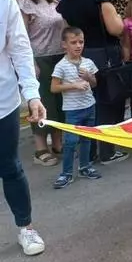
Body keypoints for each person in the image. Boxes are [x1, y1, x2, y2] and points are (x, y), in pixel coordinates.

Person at [57, 0, 128, 165]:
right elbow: (116, 28)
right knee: (107, 102)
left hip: (78, 55)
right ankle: (107, 151)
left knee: (84, 103)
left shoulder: (65, 2)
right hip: (102, 55)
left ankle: (88, 152)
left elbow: (65, 31)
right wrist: (121, 20)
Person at [0, 0, 48, 255]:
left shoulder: (5, 3)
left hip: (3, 103)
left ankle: (26, 228)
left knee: (9, 167)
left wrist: (32, 95)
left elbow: (20, 50)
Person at [15, 0, 65, 166]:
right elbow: (21, 37)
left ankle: (58, 142)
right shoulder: (22, 3)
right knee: (43, 102)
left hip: (59, 55)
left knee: (60, 102)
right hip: (39, 59)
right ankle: (40, 148)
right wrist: (30, 62)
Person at [51, 27, 102, 189]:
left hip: (89, 106)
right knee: (71, 142)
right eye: (73, 42)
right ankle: (66, 173)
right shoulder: (61, 66)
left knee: (87, 139)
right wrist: (74, 85)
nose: (78, 45)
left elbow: (95, 83)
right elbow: (54, 88)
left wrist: (88, 77)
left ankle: (85, 167)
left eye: (81, 42)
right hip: (72, 110)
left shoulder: (88, 62)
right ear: (64, 45)